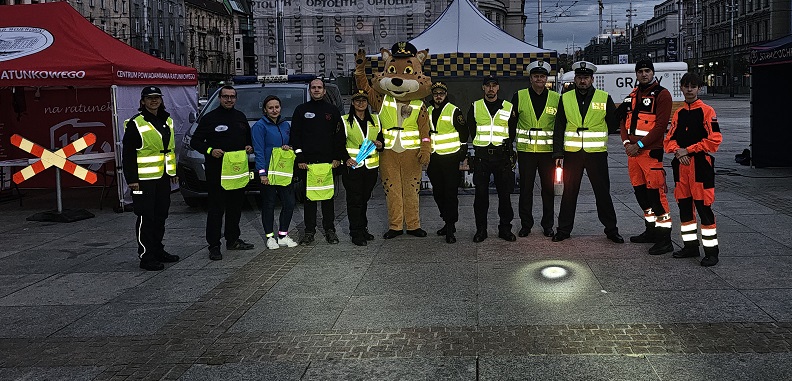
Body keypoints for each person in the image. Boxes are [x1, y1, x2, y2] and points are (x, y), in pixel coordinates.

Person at [551, 61, 624, 243]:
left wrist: (622, 112)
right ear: (575, 79)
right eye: (580, 77)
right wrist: (558, 153)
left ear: (592, 79)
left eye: (586, 78)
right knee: (569, 193)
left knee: (603, 193)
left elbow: (613, 124)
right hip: (572, 153)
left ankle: (611, 229)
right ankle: (563, 229)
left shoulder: (603, 97)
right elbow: (559, 127)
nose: (583, 81)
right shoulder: (565, 98)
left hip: (596, 153)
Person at [190, 85, 255, 260]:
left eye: (232, 97)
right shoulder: (210, 118)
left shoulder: (240, 117)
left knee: (235, 208)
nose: (229, 100)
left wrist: (249, 146)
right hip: (217, 172)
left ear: (236, 98)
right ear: (220, 98)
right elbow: (195, 142)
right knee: (216, 209)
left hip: (237, 172)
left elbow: (248, 140)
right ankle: (214, 245)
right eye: (225, 97)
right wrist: (210, 150)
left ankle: (233, 239)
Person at [664, 73, 723, 266]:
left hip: (700, 167)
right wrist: (679, 153)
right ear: (681, 88)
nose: (689, 90)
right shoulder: (679, 113)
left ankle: (711, 252)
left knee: (704, 209)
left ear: (699, 88)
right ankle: (690, 246)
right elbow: (668, 141)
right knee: (684, 208)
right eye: (686, 86)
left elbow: (714, 141)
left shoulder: (707, 111)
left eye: (693, 86)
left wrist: (687, 150)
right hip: (681, 168)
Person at [122, 86, 180, 271]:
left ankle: (157, 249)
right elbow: (128, 153)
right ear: (143, 101)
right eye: (150, 98)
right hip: (142, 180)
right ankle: (146, 255)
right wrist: (131, 179)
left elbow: (169, 150)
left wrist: (172, 172)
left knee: (161, 215)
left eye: (157, 98)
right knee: (145, 216)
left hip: (162, 177)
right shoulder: (136, 123)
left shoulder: (166, 120)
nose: (154, 101)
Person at [619, 59, 674, 255]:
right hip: (633, 155)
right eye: (641, 71)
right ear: (636, 74)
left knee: (657, 197)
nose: (644, 74)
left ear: (653, 73)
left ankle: (665, 240)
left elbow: (660, 128)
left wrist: (638, 145)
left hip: (650, 154)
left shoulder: (662, 95)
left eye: (647, 71)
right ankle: (651, 231)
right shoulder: (633, 95)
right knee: (641, 195)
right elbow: (623, 122)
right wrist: (627, 144)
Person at [290, 78, 347, 245]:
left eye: (319, 87)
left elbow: (339, 136)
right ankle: (309, 232)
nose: (316, 90)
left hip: (329, 163)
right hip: (307, 164)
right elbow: (295, 136)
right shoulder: (301, 110)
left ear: (324, 91)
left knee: (328, 199)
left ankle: (330, 230)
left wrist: (337, 157)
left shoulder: (333, 111)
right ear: (309, 90)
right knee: (309, 199)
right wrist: (299, 157)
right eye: (313, 87)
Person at [508, 59, 559, 238]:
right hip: (526, 152)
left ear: (546, 79)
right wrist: (509, 147)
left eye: (542, 76)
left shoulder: (556, 98)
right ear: (530, 79)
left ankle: (548, 225)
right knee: (525, 190)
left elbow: (559, 127)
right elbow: (511, 123)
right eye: (536, 76)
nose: (539, 79)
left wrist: (559, 152)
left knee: (548, 190)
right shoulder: (519, 96)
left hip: (547, 153)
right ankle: (526, 225)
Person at [468, 75, 516, 243]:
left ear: (498, 88)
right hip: (482, 157)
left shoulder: (508, 107)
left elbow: (512, 131)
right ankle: (481, 230)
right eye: (487, 85)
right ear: (483, 88)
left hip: (501, 157)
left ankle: (505, 229)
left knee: (505, 196)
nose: (490, 88)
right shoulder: (475, 107)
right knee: (480, 197)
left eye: (494, 85)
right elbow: (472, 130)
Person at [252, 95, 298, 250]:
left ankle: (283, 235)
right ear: (265, 109)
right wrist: (262, 173)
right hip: (268, 173)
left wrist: (289, 146)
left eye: (276, 107)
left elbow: (291, 143)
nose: (274, 110)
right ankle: (270, 237)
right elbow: (258, 150)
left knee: (289, 203)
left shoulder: (285, 125)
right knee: (269, 205)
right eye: (270, 108)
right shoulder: (259, 126)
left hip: (283, 172)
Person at [341, 90, 384, 246]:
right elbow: (338, 143)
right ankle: (355, 232)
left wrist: (380, 145)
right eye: (357, 101)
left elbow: (381, 140)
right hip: (353, 167)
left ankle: (363, 228)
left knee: (364, 199)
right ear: (352, 103)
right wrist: (346, 158)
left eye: (364, 101)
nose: (361, 103)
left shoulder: (375, 120)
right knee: (355, 201)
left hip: (370, 167)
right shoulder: (345, 121)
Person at [426, 82, 468, 244]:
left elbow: (464, 132)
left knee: (450, 194)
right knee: (438, 193)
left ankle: (450, 227)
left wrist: (462, 153)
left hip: (450, 158)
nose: (438, 96)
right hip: (434, 158)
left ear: (445, 94)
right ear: (432, 95)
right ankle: (446, 219)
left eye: (441, 93)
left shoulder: (453, 110)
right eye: (435, 93)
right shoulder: (427, 111)